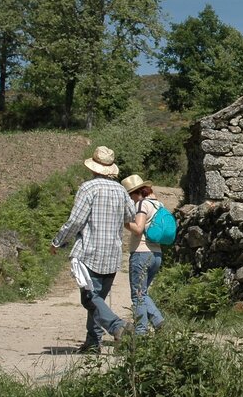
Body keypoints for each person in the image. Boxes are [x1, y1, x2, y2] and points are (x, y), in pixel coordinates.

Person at [51, 146, 136, 353]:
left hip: (90, 251)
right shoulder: (121, 190)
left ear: (94, 167)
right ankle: (92, 342)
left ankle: (117, 326)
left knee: (90, 298)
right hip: (113, 253)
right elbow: (130, 216)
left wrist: (58, 242)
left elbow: (76, 221)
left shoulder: (88, 188)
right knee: (98, 300)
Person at [121, 174, 166, 335]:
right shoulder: (158, 204)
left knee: (138, 295)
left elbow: (138, 229)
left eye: (129, 195)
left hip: (141, 253)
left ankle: (141, 332)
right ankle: (158, 322)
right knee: (143, 293)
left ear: (135, 192)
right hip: (156, 254)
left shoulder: (142, 204)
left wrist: (124, 222)